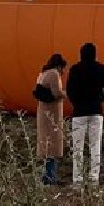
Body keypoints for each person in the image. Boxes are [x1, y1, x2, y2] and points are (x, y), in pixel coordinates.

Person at [66, 43, 104, 186]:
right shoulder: (102, 69)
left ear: (81, 54)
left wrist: (76, 102)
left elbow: (69, 90)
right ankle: (94, 178)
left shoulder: (75, 69)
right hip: (95, 111)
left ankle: (77, 179)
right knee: (95, 145)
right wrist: (100, 99)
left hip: (79, 112)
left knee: (77, 147)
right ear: (95, 54)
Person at [36, 54, 67, 185]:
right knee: (52, 145)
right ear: (59, 66)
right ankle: (50, 176)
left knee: (46, 144)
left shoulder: (43, 74)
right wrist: (65, 93)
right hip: (52, 114)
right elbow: (56, 93)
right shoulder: (54, 74)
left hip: (43, 113)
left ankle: (47, 175)